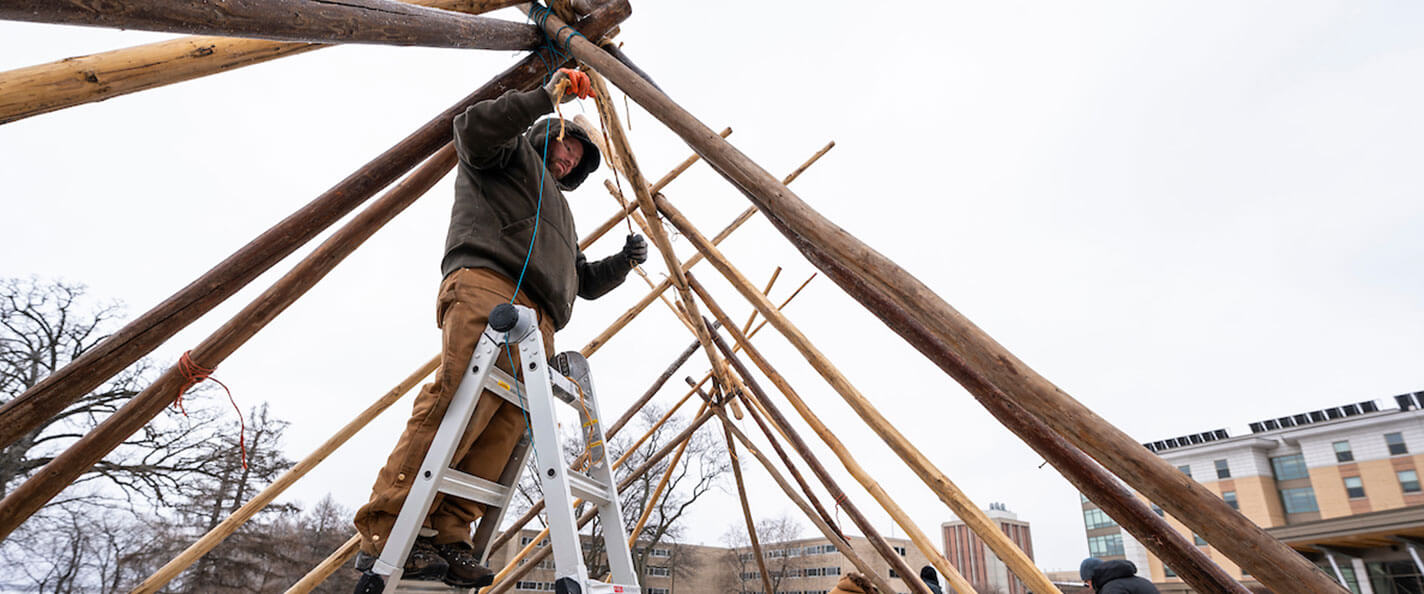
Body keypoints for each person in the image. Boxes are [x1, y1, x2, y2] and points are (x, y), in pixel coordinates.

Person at [351, 67, 648, 592]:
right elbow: (472, 129)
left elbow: (581, 281)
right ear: (547, 132)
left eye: (579, 157)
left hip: (542, 320)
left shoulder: (561, 213)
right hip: (491, 287)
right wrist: (542, 97)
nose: (570, 157)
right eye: (568, 143)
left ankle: (446, 532)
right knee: (460, 399)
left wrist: (623, 262)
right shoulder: (507, 156)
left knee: (505, 430)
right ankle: (387, 526)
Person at [1080, 557, 1160, 593]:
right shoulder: (1141, 581)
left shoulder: (1112, 589)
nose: (1089, 587)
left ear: (1093, 576)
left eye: (1087, 582)